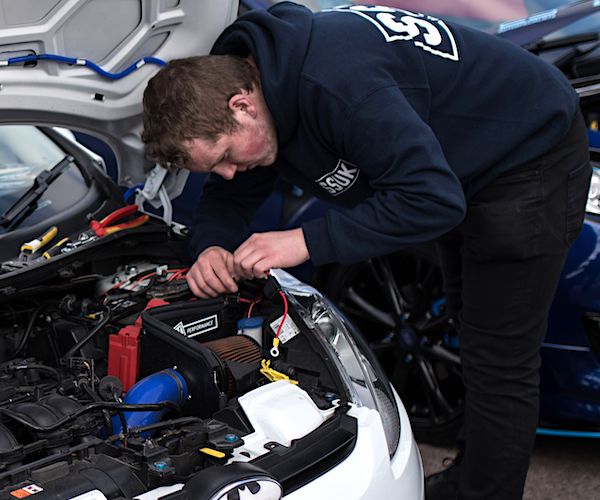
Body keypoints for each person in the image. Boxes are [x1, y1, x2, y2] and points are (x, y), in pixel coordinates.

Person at [141, 3, 591, 499]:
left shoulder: (337, 86)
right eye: (214, 168)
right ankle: (471, 478)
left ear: (242, 105)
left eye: (225, 157)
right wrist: (211, 248)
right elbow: (229, 197)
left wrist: (303, 241)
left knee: (500, 357)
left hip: (528, 155)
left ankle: (486, 494)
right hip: (456, 165)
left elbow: (433, 199)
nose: (226, 173)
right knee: (472, 329)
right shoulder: (257, 90)